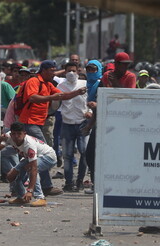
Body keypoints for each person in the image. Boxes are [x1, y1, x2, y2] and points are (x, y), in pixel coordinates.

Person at [18, 59, 86, 196]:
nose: (54, 73)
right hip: (29, 122)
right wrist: (50, 97)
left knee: (36, 154)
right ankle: (45, 185)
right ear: (44, 70)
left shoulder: (48, 84)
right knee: (46, 153)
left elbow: (61, 96)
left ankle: (19, 182)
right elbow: (32, 98)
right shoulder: (34, 81)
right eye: (52, 70)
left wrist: (77, 93)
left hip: (37, 123)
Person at [0, 122, 56, 207]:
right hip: (28, 158)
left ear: (24, 134)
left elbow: (34, 169)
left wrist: (30, 190)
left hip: (48, 157)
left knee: (29, 169)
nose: (16, 136)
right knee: (12, 175)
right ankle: (21, 197)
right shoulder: (8, 137)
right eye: (14, 134)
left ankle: (40, 197)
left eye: (19, 134)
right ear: (11, 134)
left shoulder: (29, 144)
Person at [57, 62, 89, 192]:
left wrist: (90, 113)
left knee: (84, 153)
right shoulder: (60, 86)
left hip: (82, 123)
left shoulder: (84, 84)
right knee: (67, 155)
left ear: (78, 71)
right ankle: (69, 182)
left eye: (74, 71)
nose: (71, 73)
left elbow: (90, 100)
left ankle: (80, 180)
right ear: (64, 72)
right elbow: (58, 101)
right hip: (67, 124)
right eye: (69, 71)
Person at [82, 59, 103, 194]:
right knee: (90, 155)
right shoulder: (89, 85)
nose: (90, 72)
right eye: (88, 69)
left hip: (104, 124)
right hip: (96, 123)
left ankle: (99, 185)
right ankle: (97, 184)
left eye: (93, 69)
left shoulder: (101, 84)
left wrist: (97, 105)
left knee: (92, 155)